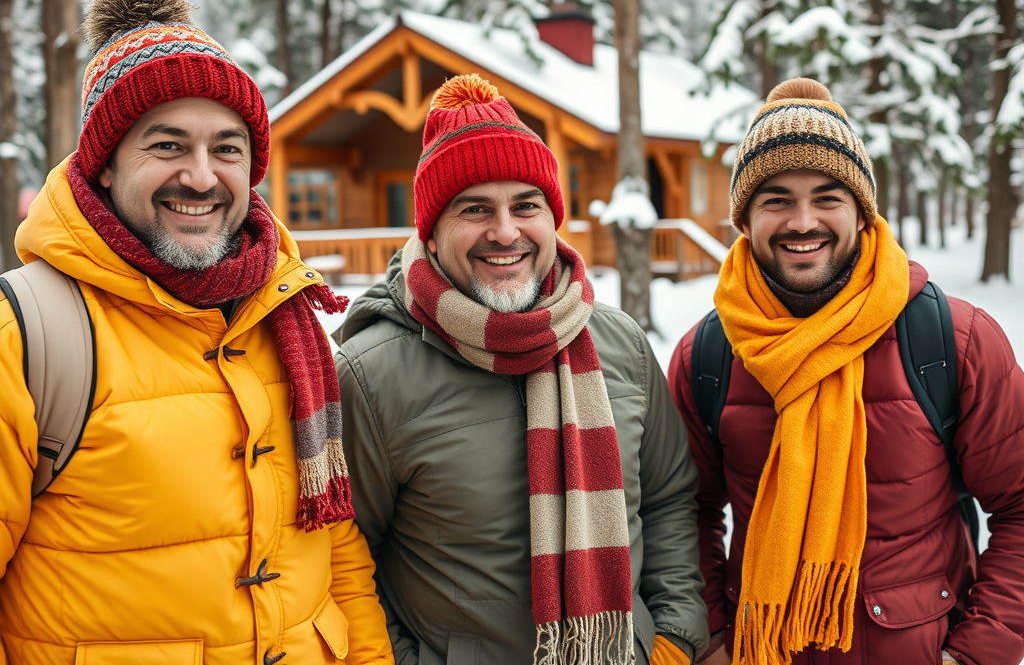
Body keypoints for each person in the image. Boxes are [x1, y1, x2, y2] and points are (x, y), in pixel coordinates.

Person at [0, 0, 392, 665]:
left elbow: (333, 547)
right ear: (106, 166)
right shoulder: (26, 333)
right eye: (168, 144)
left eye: (228, 148)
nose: (203, 177)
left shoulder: (283, 316)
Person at [335, 74, 708, 665]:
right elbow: (342, 556)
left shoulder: (620, 343)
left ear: (552, 218)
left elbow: (668, 501)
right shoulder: (370, 376)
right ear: (431, 233)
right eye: (475, 208)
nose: (505, 232)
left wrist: (672, 638)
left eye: (525, 205)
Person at [669, 77, 1024, 665]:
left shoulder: (952, 341)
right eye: (776, 198)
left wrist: (974, 653)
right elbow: (684, 511)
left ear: (861, 211)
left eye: (828, 196)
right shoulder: (707, 355)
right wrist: (711, 638)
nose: (803, 221)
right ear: (745, 219)